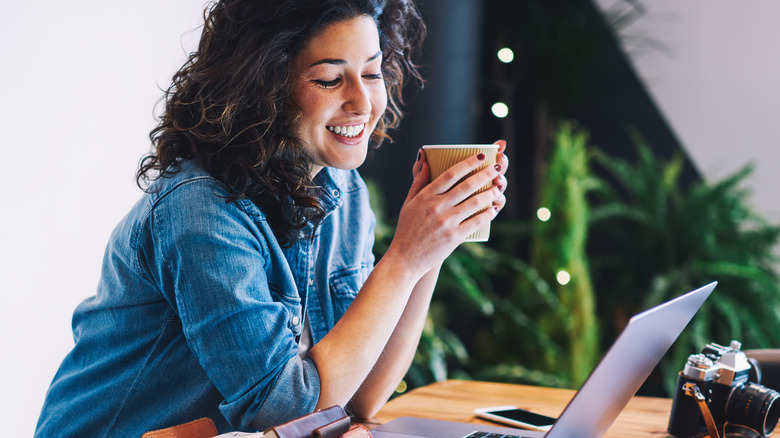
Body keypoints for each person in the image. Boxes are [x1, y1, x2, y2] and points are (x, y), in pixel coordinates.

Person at [34, 0, 508, 436]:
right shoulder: (199, 212)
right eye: (329, 79)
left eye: (372, 72)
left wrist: (433, 247)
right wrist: (403, 258)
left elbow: (358, 400)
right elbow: (283, 413)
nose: (362, 103)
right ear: (265, 86)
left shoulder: (343, 191)